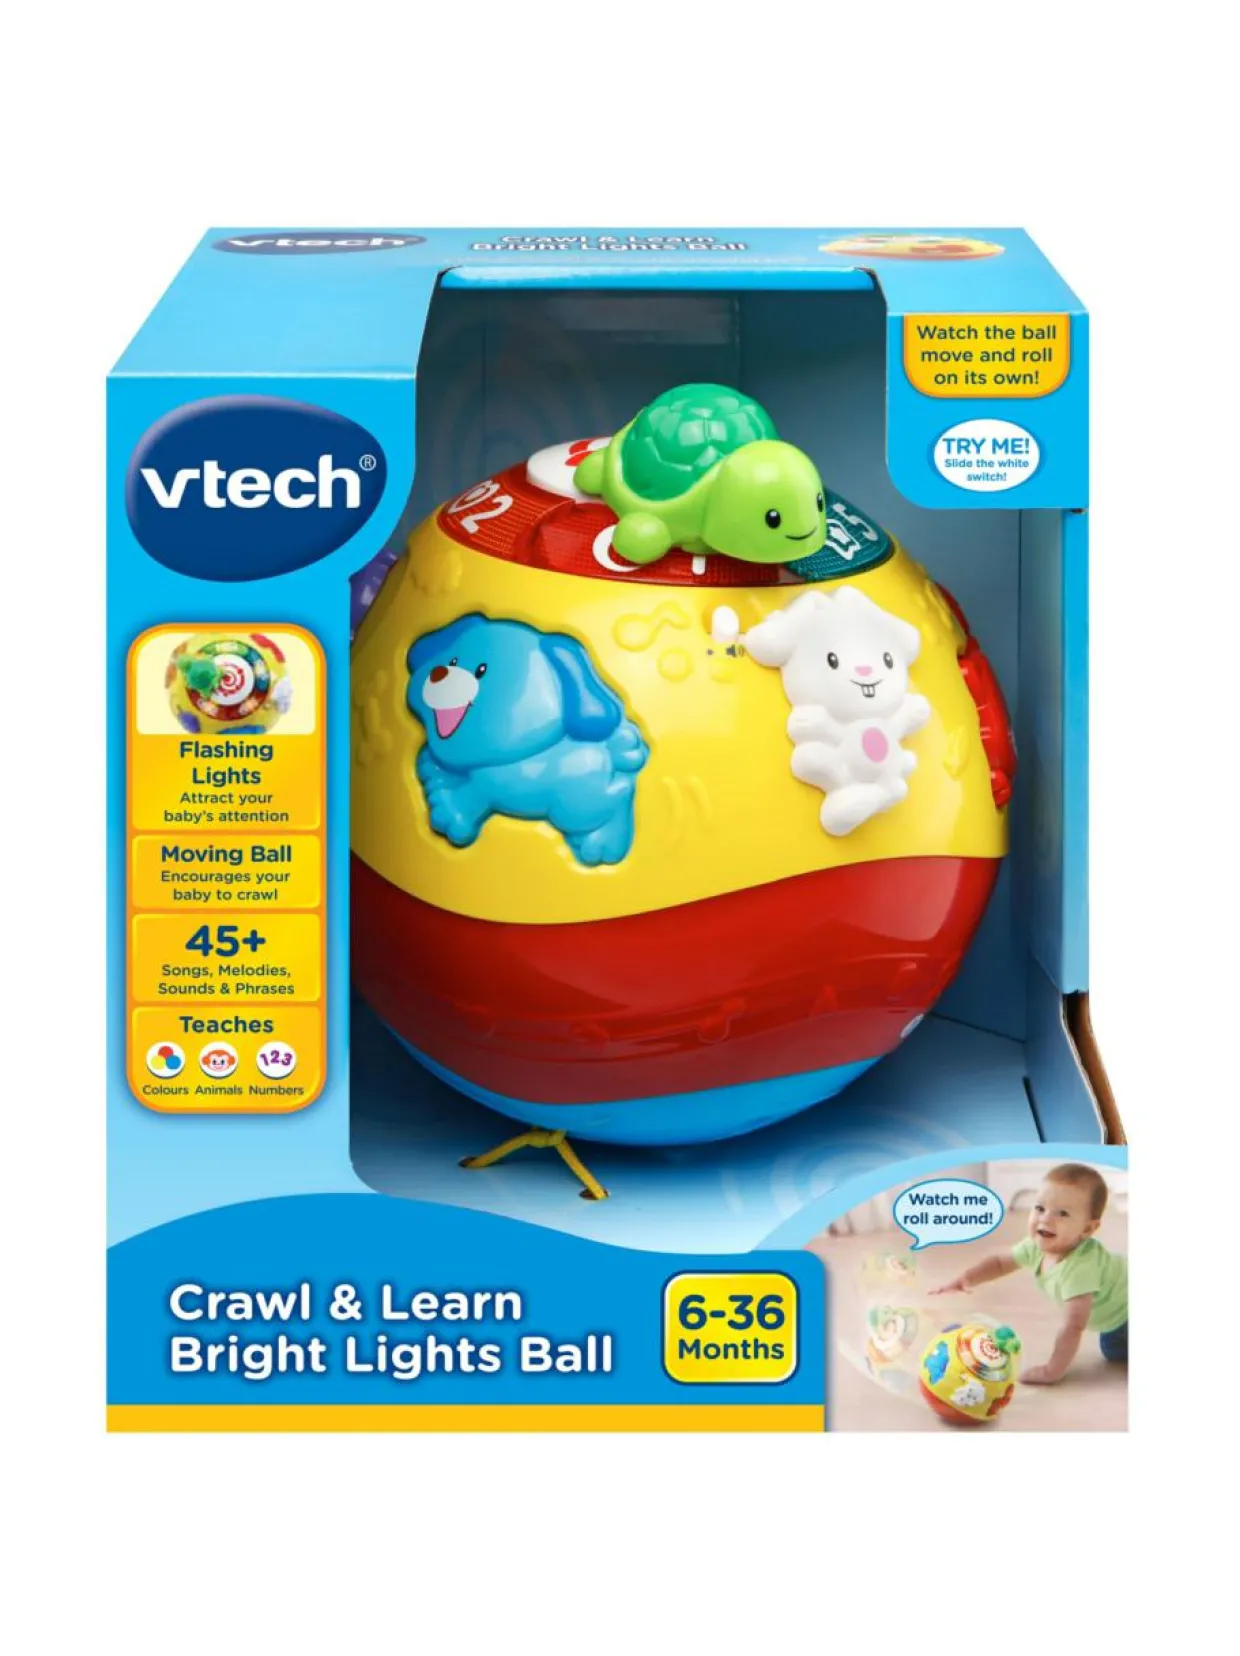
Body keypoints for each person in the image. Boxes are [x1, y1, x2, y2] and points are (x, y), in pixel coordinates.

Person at [929, 1163, 1127, 1384]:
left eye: (1062, 1213)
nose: (1045, 1219)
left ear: (1087, 1229)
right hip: (1112, 1319)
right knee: (1113, 1353)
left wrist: (1052, 1371)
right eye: (1040, 1208)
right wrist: (967, 1278)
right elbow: (1000, 1263)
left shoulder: (1081, 1269)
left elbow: (1074, 1326)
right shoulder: (1036, 1246)